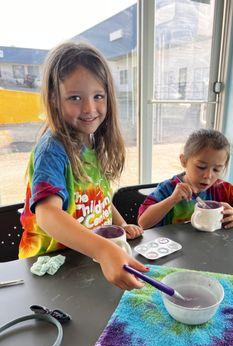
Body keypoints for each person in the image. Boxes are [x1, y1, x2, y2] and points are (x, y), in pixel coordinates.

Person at [19, 41, 147, 290]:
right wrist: (104, 250)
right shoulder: (52, 150)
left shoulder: (93, 140)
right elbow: (47, 215)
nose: (89, 109)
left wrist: (118, 225)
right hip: (51, 267)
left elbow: (98, 196)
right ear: (55, 100)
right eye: (75, 97)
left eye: (98, 96)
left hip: (86, 257)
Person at [138, 129, 233, 229]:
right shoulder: (169, 189)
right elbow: (143, 222)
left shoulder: (220, 188)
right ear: (184, 160)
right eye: (201, 167)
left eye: (216, 170)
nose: (208, 175)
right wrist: (172, 200)